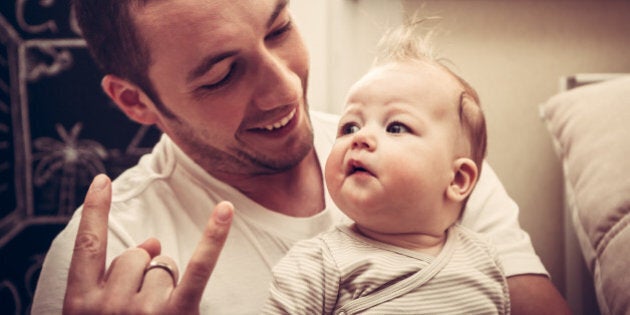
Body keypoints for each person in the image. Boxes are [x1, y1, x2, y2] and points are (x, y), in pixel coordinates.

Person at [31, 0, 570, 314]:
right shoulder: (109, 260)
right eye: (222, 74)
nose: (285, 87)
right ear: (135, 101)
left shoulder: (427, 157)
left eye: (280, 28)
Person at [263, 21, 509, 314]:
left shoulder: (483, 258)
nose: (361, 138)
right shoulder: (318, 263)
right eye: (350, 126)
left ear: (457, 178)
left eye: (395, 127)